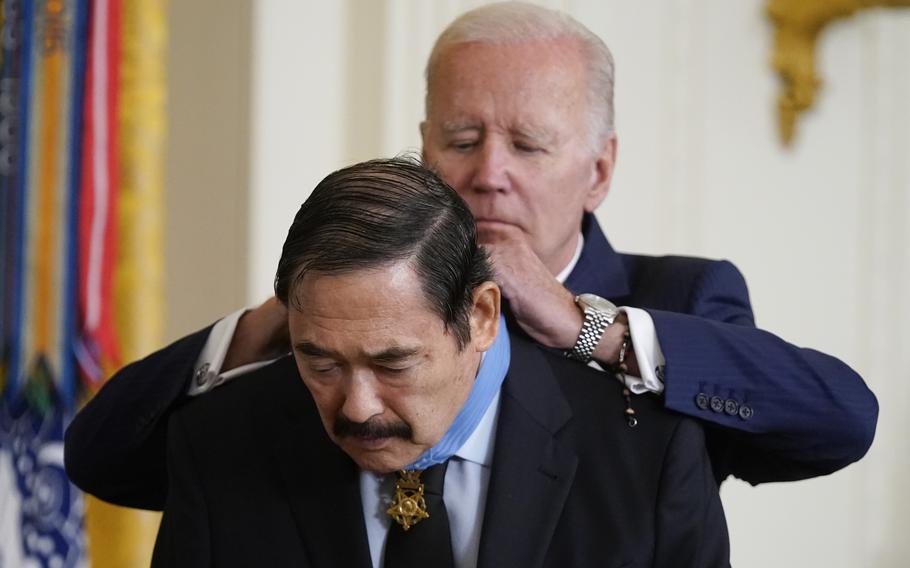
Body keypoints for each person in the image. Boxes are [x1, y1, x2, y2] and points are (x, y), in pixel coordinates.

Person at [65, 2, 877, 512]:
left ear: (598, 170)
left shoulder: (677, 294)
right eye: (460, 139)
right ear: (423, 146)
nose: (488, 174)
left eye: (527, 145)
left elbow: (839, 425)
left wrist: (585, 328)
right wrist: (293, 317)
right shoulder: (345, 326)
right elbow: (105, 459)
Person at [149, 157, 729, 567]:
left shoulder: (646, 455)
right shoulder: (217, 445)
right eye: (321, 364)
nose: (357, 406)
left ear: (479, 316)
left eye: (394, 364)